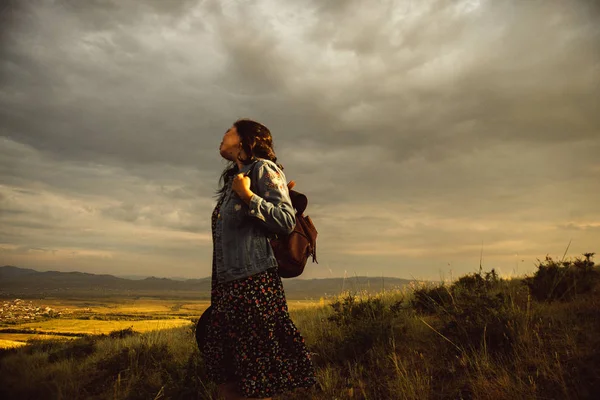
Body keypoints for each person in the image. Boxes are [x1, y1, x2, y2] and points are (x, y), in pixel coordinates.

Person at [203, 118, 317, 400]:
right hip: (228, 286)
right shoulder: (234, 180)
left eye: (228, 131)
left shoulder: (263, 170)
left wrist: (250, 196)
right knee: (227, 374)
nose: (222, 136)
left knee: (257, 377)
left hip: (253, 284)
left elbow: (285, 220)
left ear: (243, 140)